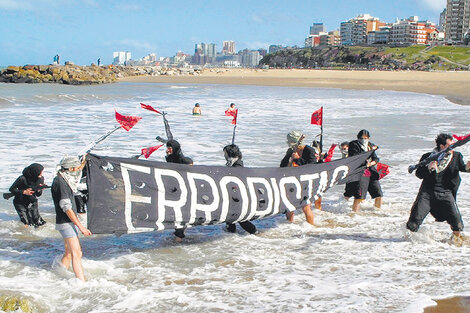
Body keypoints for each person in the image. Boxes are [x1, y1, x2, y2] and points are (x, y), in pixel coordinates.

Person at [406, 133, 470, 238]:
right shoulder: (428, 157)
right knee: (415, 219)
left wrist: (468, 167)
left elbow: (463, 168)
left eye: (454, 144)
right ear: (442, 146)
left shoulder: (456, 156)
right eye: (450, 144)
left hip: (446, 192)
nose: (453, 147)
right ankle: (407, 243)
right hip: (427, 193)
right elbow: (419, 174)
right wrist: (428, 168)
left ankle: (456, 241)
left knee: (456, 221)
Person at [52, 156, 92, 281]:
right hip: (66, 222)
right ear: (70, 168)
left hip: (65, 222)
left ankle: (57, 274)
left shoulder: (63, 177)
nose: (77, 170)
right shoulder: (62, 183)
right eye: (74, 168)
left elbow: (78, 170)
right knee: (77, 253)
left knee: (69, 253)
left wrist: (84, 160)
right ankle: (81, 283)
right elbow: (66, 207)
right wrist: (81, 227)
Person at [280, 131, 318, 225]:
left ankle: (311, 227)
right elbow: (282, 166)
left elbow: (313, 166)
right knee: (289, 206)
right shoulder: (291, 150)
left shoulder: (309, 150)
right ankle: (289, 225)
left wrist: (298, 159)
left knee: (305, 206)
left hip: (305, 181)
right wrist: (290, 159)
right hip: (291, 181)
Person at [223, 144, 258, 234]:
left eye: (225, 154)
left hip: (238, 196)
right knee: (230, 217)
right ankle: (230, 234)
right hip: (234, 195)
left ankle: (256, 233)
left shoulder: (237, 166)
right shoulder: (233, 163)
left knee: (240, 219)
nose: (224, 156)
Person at [346, 129, 383, 212]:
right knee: (359, 197)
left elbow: (376, 158)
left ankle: (377, 211)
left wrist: (372, 163)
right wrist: (369, 153)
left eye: (366, 138)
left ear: (369, 138)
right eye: (362, 138)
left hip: (371, 172)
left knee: (378, 194)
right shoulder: (353, 144)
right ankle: (354, 214)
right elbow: (355, 157)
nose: (364, 140)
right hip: (360, 173)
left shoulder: (370, 145)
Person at [165, 139, 193, 242]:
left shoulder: (184, 160)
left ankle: (178, 238)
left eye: (170, 148)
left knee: (181, 215)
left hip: (185, 192)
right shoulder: (170, 159)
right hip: (174, 191)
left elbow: (191, 166)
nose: (167, 150)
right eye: (167, 148)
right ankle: (179, 235)